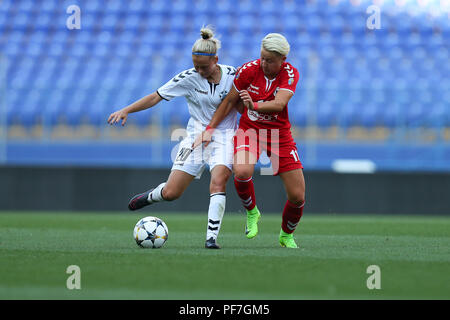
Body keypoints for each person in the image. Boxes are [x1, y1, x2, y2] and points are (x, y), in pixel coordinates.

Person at [108, 26, 242, 249]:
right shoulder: (188, 78)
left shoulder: (233, 75)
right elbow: (155, 97)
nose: (199, 71)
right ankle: (150, 196)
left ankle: (211, 238)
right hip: (195, 137)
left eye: (203, 67)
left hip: (225, 136)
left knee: (218, 180)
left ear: (216, 59)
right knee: (172, 193)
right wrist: (126, 110)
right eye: (195, 66)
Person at [193, 33, 305, 248]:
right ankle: (252, 212)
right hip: (250, 130)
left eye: (269, 60)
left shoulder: (290, 74)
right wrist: (210, 129)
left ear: (282, 59)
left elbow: (279, 104)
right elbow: (229, 101)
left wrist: (255, 105)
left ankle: (286, 235)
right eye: (262, 57)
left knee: (297, 196)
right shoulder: (248, 70)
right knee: (242, 172)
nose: (263, 63)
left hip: (279, 135)